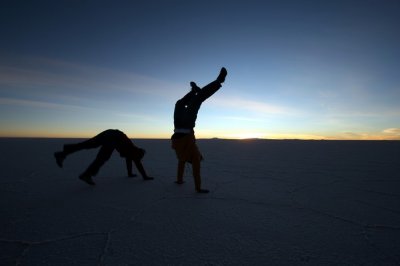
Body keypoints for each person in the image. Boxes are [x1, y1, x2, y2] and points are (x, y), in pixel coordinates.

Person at [171, 67, 227, 193]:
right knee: (197, 100)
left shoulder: (181, 157)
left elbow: (180, 166)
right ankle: (219, 81)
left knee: (179, 104)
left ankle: (193, 91)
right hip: (187, 125)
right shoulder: (194, 155)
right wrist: (198, 188)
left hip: (177, 126)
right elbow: (196, 171)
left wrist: (179, 180)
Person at [54, 129, 154, 185]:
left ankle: (63, 153)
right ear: (138, 154)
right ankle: (86, 175)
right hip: (113, 137)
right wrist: (145, 176)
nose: (137, 159)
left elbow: (129, 160)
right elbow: (137, 163)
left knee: (88, 144)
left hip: (109, 133)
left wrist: (130, 173)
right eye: (138, 158)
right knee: (103, 157)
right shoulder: (133, 151)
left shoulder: (131, 150)